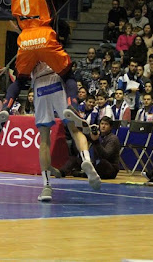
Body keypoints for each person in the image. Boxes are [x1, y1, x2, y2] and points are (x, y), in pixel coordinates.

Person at [0, 0, 84, 135]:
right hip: (44, 34)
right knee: (67, 74)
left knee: (20, 80)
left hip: (25, 39)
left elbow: (18, 22)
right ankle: (73, 105)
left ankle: (6, 107)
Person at [23, 62, 101, 202]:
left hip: (40, 84)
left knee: (44, 139)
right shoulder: (51, 47)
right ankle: (86, 160)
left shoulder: (28, 49)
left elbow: (23, 69)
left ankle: (46, 186)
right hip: (56, 79)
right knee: (74, 129)